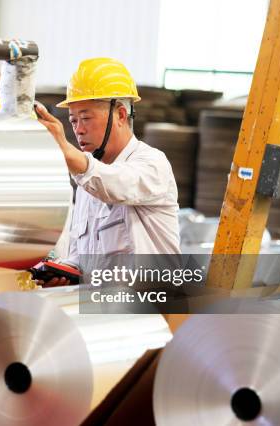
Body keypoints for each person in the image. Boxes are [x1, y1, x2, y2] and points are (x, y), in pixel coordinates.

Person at [34, 57, 181, 287]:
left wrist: (66, 152)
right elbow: (81, 259)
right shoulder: (86, 181)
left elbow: (117, 185)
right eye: (73, 120)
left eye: (86, 118)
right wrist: (66, 274)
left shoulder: (152, 164)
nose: (79, 129)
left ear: (121, 115)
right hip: (106, 313)